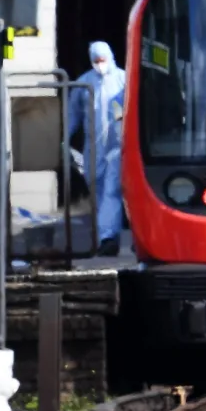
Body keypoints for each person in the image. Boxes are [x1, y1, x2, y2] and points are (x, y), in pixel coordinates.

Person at [68, 41, 127, 256]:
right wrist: (64, 136)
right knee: (97, 189)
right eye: (96, 61)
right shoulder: (84, 84)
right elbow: (72, 114)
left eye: (103, 60)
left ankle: (108, 237)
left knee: (112, 189)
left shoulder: (123, 79)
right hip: (93, 148)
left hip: (116, 146)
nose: (100, 64)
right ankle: (108, 233)